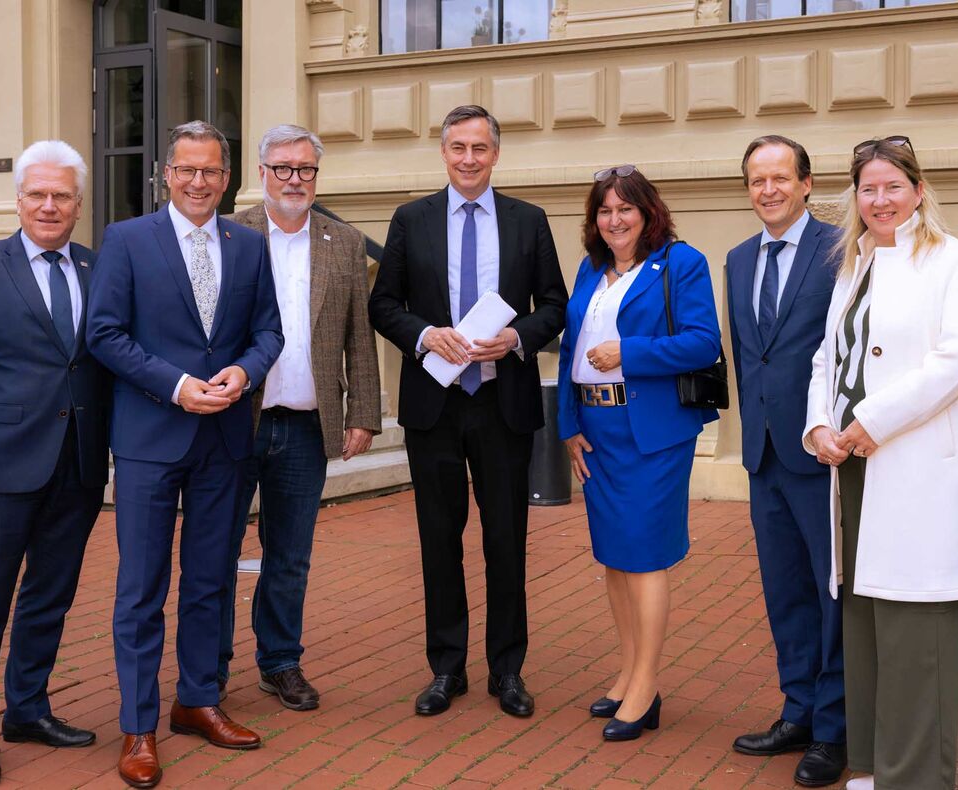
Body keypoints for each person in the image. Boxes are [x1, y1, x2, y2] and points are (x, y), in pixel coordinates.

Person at [86, 120, 284, 789]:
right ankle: (138, 725)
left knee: (209, 579)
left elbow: (268, 331)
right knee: (142, 587)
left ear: (227, 179)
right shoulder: (126, 240)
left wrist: (244, 373)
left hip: (223, 440)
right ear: (166, 175)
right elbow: (104, 333)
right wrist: (174, 385)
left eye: (211, 171)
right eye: (187, 170)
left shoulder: (248, 245)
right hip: (149, 438)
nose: (199, 182)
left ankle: (197, 700)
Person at [803, 136, 958, 790]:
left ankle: (915, 777)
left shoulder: (957, 262)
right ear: (854, 196)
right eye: (868, 188)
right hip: (854, 465)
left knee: (916, 625)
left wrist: (871, 422)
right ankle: (877, 765)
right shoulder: (852, 266)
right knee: (865, 617)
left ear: (917, 190)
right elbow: (827, 358)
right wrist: (819, 425)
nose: (880, 200)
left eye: (892, 186)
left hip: (913, 466)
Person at [368, 105, 567, 718]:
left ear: (496, 154)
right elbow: (383, 304)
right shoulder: (412, 219)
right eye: (458, 147)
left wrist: (517, 338)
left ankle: (507, 670)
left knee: (506, 541)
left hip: (503, 405)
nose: (469, 158)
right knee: (439, 541)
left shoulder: (528, 220)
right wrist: (426, 335)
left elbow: (555, 304)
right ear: (443, 152)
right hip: (435, 406)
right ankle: (446, 668)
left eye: (480, 148)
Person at [0, 140, 109, 785]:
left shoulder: (97, 267)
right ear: (18, 201)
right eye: (37, 193)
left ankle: (28, 710)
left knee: (49, 597)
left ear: (78, 204)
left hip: (78, 463)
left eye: (61, 195)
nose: (48, 205)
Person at [218, 124, 382, 710]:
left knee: (289, 556)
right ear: (261, 173)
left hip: (307, 425)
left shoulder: (345, 242)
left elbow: (358, 335)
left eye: (305, 169)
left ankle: (280, 661)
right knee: (217, 551)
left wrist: (363, 412)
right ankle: (211, 667)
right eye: (283, 168)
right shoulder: (230, 235)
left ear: (316, 175)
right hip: (235, 423)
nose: (295, 179)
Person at [557, 165, 721, 741]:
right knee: (615, 556)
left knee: (646, 556)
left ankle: (647, 687)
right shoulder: (591, 268)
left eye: (625, 208)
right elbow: (571, 349)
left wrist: (629, 351)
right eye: (604, 210)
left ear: (648, 212)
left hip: (653, 432)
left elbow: (703, 342)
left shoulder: (681, 263)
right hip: (596, 430)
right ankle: (628, 673)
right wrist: (567, 425)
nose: (615, 220)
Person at [726, 136, 847, 786]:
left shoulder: (840, 248)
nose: (767, 190)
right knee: (784, 591)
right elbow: (753, 357)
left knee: (830, 593)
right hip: (763, 454)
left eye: (779, 178)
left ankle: (833, 729)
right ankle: (796, 711)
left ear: (805, 184)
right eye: (756, 180)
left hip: (818, 450)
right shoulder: (737, 259)